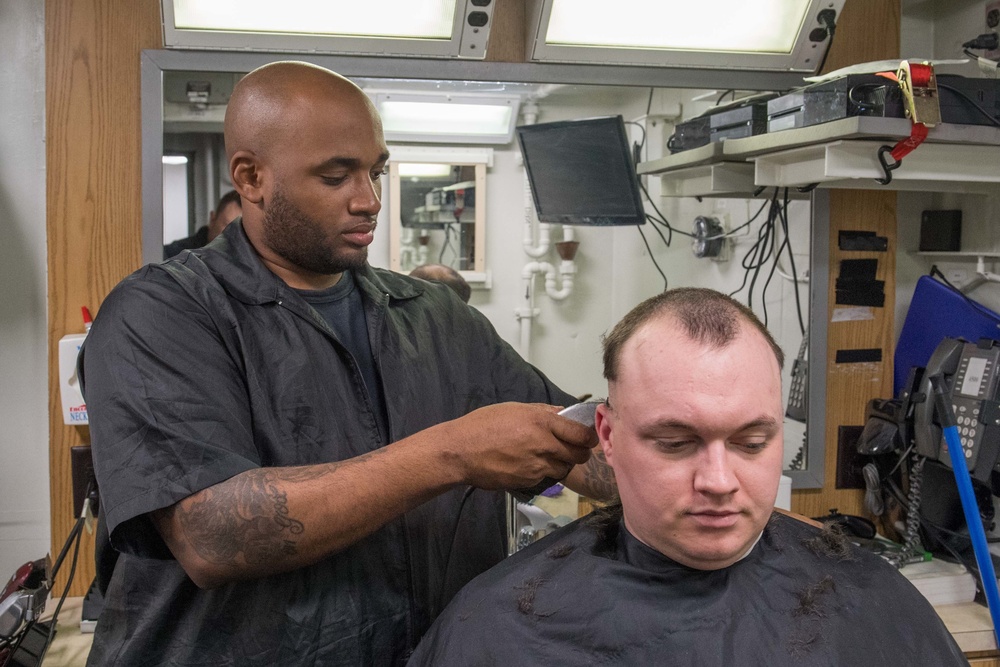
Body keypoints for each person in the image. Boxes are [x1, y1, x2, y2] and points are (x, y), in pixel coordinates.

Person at [79, 61, 615, 666]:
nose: (370, 200)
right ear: (251, 177)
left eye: (376, 171)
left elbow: (575, 441)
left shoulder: (434, 315)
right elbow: (213, 535)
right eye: (336, 176)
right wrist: (452, 451)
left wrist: (689, 451)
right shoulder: (163, 313)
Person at [408, 288, 967, 666]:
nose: (719, 480)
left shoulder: (870, 599)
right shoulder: (503, 626)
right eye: (676, 443)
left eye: (752, 442)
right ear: (606, 433)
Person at [162, 189, 242, 259]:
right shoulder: (173, 256)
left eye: (242, 232)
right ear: (212, 220)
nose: (234, 237)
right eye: (228, 227)